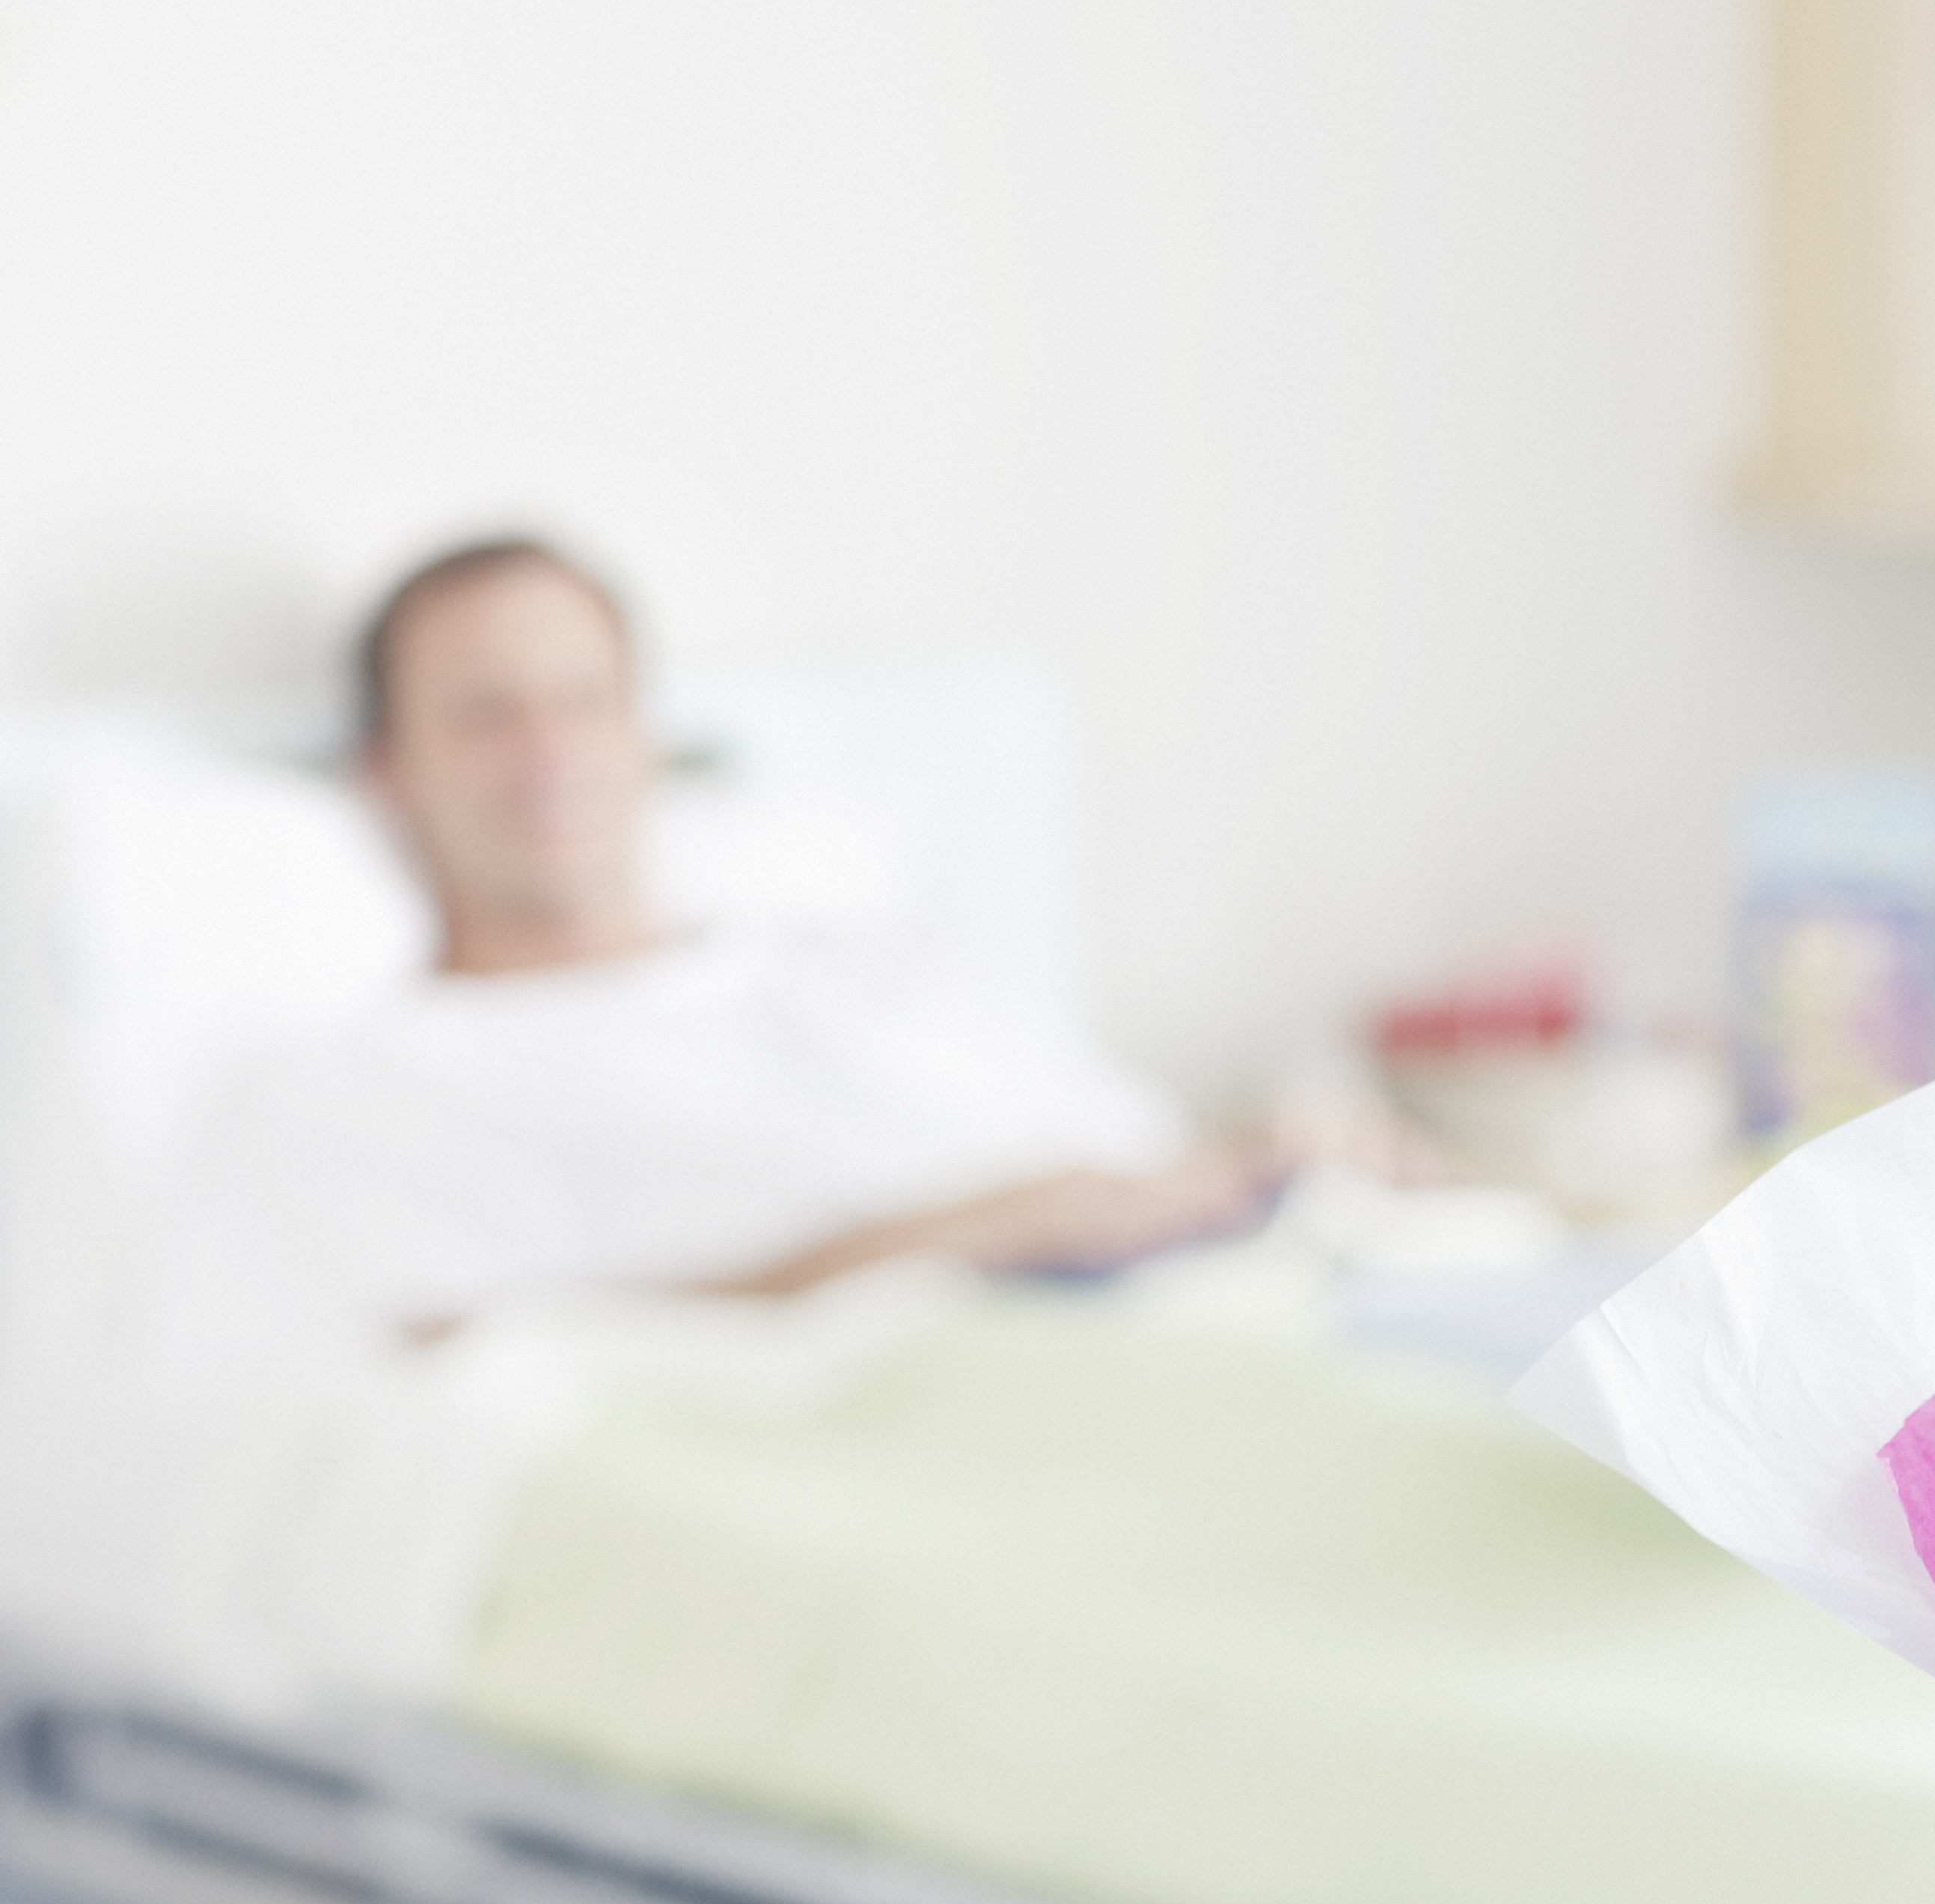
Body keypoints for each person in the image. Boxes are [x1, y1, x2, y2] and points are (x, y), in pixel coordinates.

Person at [179, 536, 1268, 1338]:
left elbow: (1152, 1178)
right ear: (386, 775)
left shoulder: (872, 976)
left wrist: (1289, 1162)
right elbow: (408, 1360)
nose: (548, 750)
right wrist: (920, 1248)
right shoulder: (350, 1088)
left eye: (584, 699)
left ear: (648, 738)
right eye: (483, 714)